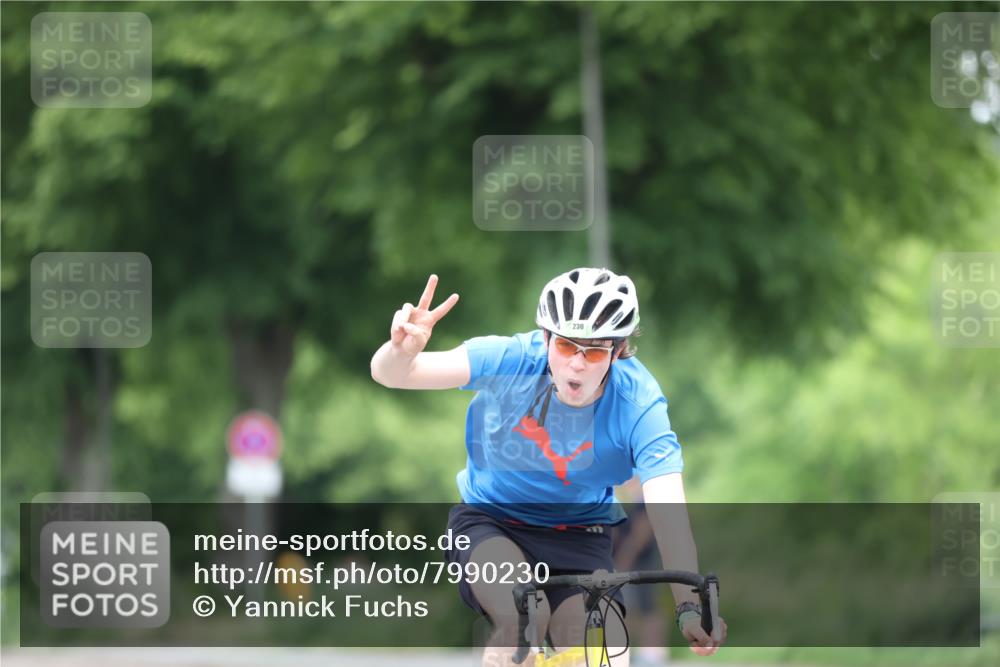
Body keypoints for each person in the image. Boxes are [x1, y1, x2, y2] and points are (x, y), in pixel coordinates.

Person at [370, 269, 727, 667]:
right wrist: (401, 352)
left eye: (592, 352)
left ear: (618, 349)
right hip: (493, 522)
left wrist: (688, 607)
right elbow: (392, 375)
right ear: (545, 338)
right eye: (564, 346)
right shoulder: (512, 359)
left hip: (579, 534)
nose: (576, 365)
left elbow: (668, 512)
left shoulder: (639, 402)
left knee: (605, 650)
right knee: (522, 617)